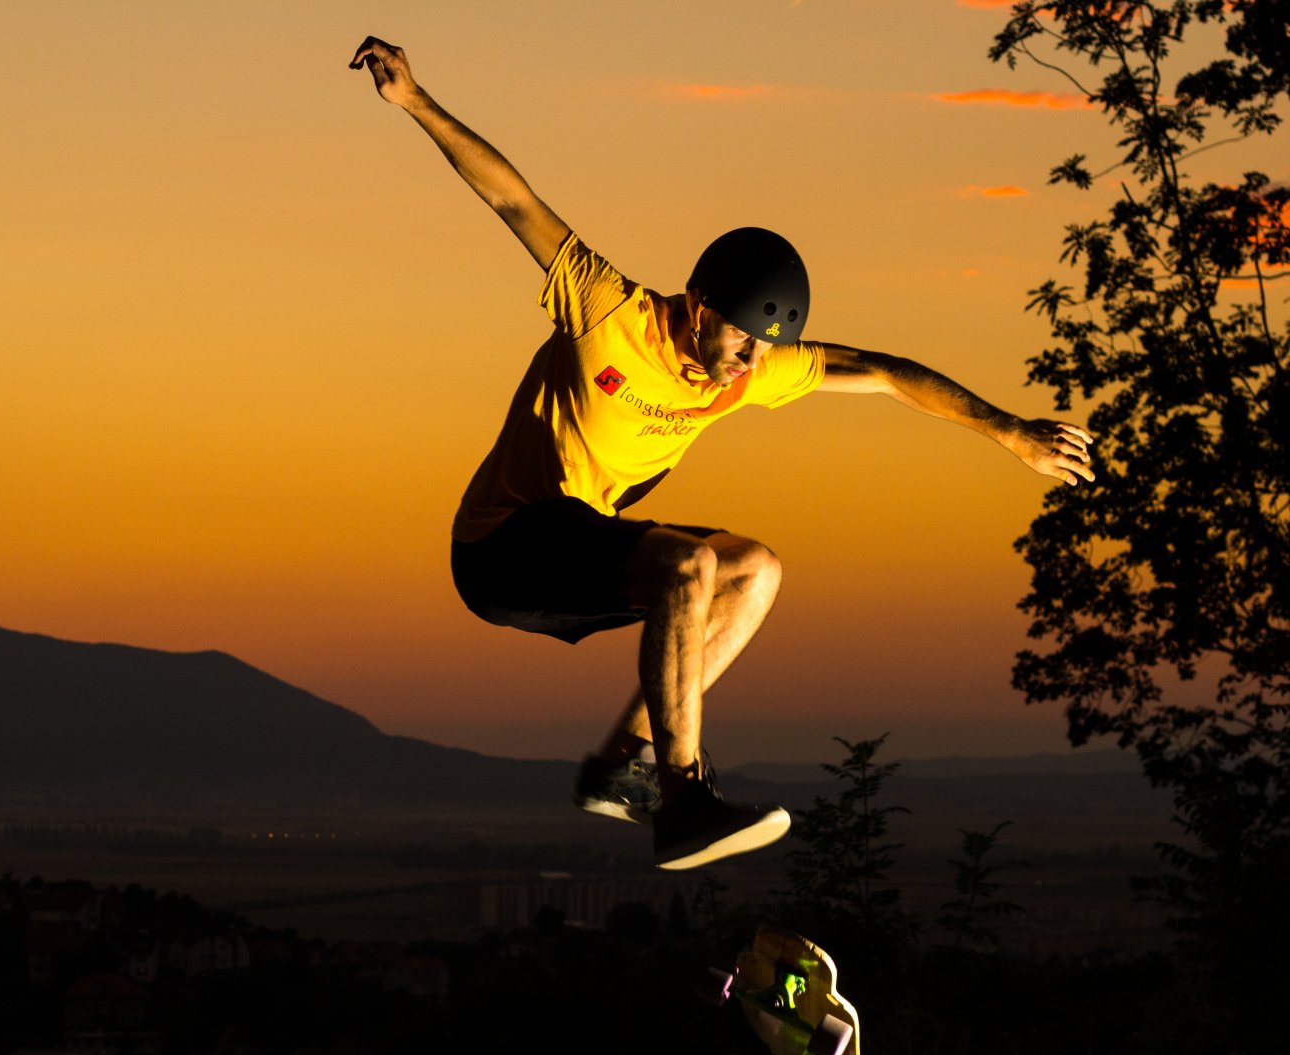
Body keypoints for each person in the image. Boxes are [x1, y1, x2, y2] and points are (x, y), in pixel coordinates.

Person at [350, 37, 1097, 869]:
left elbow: (885, 373)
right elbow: (513, 201)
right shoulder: (606, 306)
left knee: (752, 569)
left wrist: (1009, 431)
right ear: (698, 305)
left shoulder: (751, 370)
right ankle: (684, 799)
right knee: (684, 568)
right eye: (741, 339)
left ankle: (622, 766)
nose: (747, 365)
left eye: (764, 350)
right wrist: (414, 100)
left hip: (579, 549)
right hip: (503, 546)